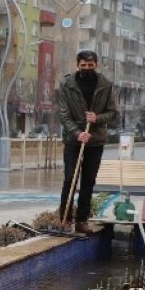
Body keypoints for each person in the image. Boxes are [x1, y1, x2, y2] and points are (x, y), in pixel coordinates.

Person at [56, 50, 119, 234]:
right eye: (83, 65)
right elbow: (64, 114)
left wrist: (97, 118)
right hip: (73, 140)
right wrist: (77, 133)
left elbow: (114, 114)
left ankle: (82, 220)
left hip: (95, 140)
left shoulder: (105, 85)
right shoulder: (66, 85)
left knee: (88, 181)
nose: (87, 69)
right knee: (70, 179)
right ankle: (66, 219)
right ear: (78, 65)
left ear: (96, 65)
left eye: (90, 65)